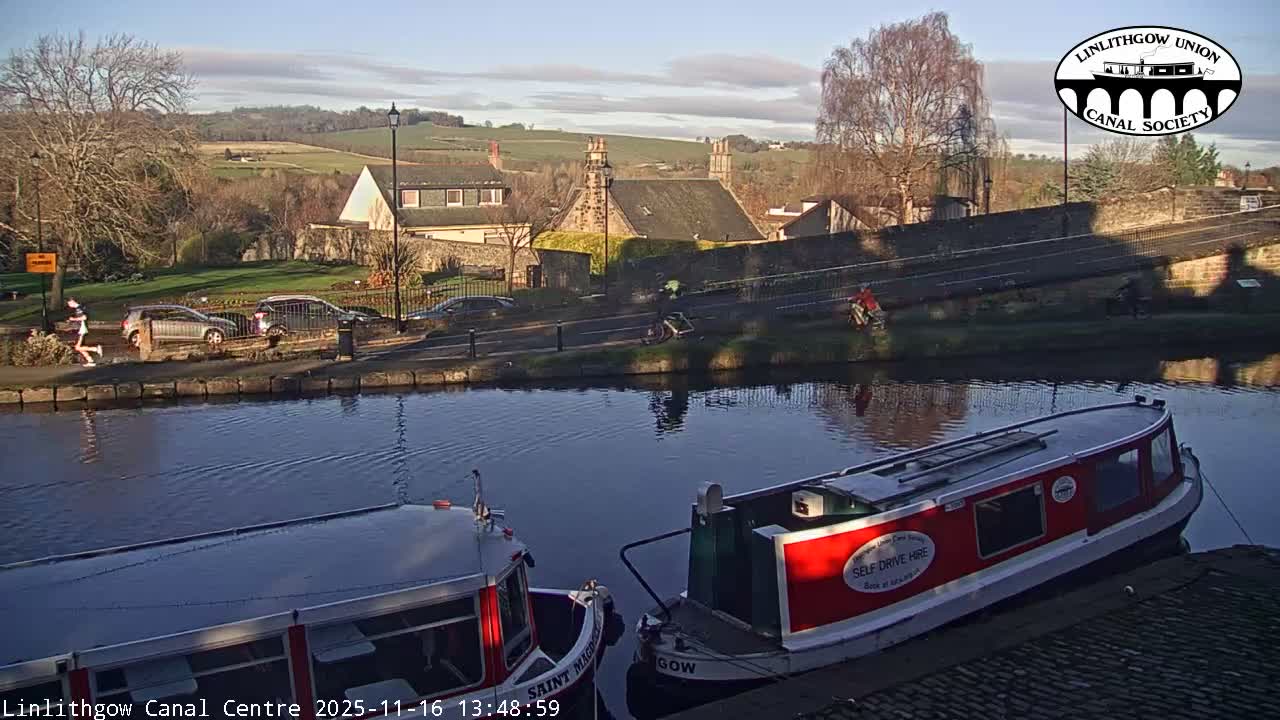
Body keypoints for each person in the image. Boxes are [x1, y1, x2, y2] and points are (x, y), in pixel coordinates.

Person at [66, 298, 103, 367]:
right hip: (81, 329)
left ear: (72, 301)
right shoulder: (80, 307)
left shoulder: (79, 309)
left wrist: (74, 319)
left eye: (69, 303)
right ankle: (90, 361)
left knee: (77, 347)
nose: (68, 305)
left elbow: (84, 317)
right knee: (81, 347)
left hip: (81, 330)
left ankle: (96, 349)